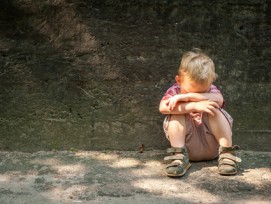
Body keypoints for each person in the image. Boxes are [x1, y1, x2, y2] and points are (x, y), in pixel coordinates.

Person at [159, 48, 241, 177]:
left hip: (213, 146)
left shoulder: (212, 90)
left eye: (202, 91)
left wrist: (187, 96)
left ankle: (227, 154)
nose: (197, 94)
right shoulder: (175, 90)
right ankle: (179, 157)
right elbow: (163, 107)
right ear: (179, 80)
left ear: (211, 81)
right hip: (185, 147)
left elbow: (219, 100)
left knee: (213, 108)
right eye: (191, 91)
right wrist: (194, 105)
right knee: (175, 113)